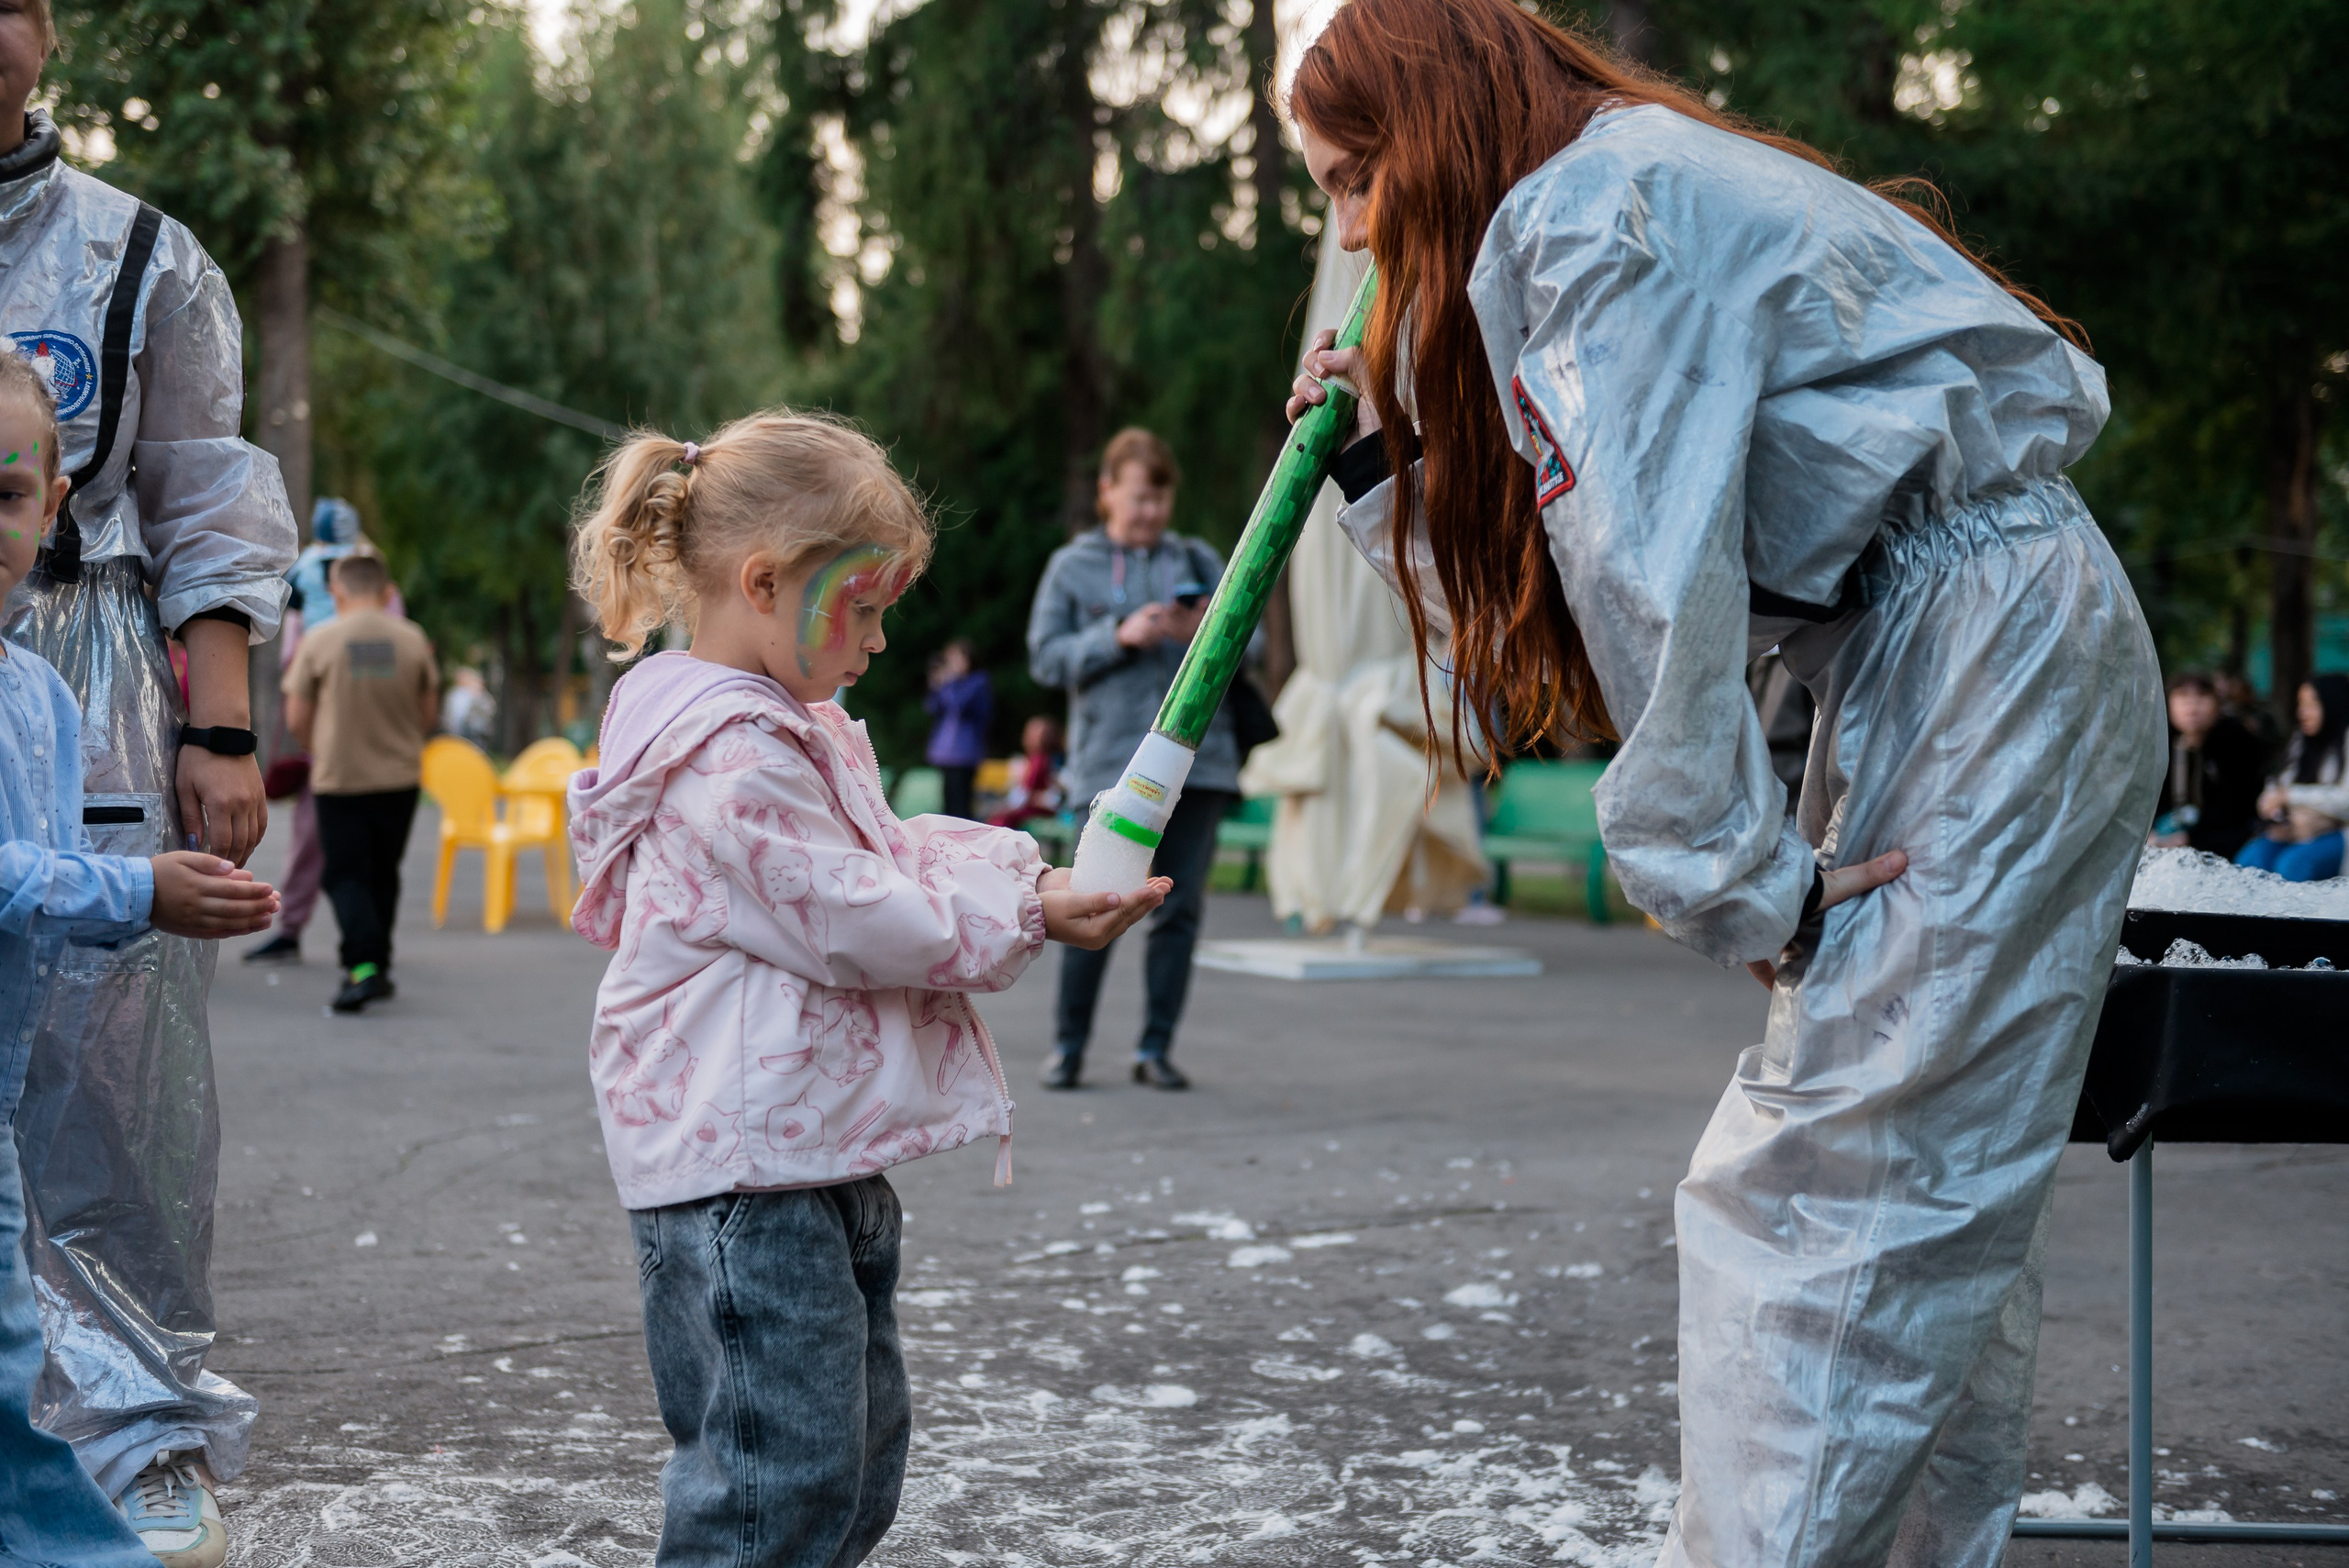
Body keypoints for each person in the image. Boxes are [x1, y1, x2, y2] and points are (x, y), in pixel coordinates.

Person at [1282, 4, 2162, 1563]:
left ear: (1434, 121)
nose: (1352, 226)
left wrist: (1733, 872)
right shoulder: (1596, 205)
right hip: (1954, 645)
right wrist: (1380, 466)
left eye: (1360, 176)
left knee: (1830, 1195)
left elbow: (1652, 578)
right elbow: (1580, 568)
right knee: (1920, 1180)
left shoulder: (1594, 219)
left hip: (1984, 655)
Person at [564, 412, 1166, 1564]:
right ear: (764, 580)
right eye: (866, 606)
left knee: (847, 1458)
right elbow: (854, 911)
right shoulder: (727, 757)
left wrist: (1029, 877)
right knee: (771, 1486)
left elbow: (885, 851)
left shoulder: (789, 729)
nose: (881, 640)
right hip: (745, 1172)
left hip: (806, 1153)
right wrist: (1029, 907)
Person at [0, 1, 297, 1546]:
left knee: (108, 1073)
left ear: (46, 32)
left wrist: (223, 723)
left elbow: (205, 491)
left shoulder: (139, 256)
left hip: (82, 673)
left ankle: (133, 1418)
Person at [1028, 428, 1241, 1092]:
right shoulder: (1072, 566)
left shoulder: (1199, 558)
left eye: (1161, 497)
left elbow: (1253, 649)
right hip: (1109, 770)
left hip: (1199, 768)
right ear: (1107, 492)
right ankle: (1068, 1047)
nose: (1150, 511)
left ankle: (1155, 1050)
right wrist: (1115, 637)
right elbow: (1044, 656)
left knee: (1178, 909)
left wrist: (1205, 631)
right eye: (1139, 496)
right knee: (1092, 899)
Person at [281, 553, 438, 1012]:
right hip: (401, 779)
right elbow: (427, 714)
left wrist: (323, 748)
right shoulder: (413, 640)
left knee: (344, 875)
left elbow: (296, 718)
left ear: (337, 593)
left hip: (340, 779)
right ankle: (380, 967)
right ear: (388, 592)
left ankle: (363, 968)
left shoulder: (320, 640)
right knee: (382, 873)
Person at [243, 498, 384, 965]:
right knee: (369, 839)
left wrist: (302, 728)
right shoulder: (376, 574)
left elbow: (291, 654)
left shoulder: (304, 570)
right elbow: (390, 652)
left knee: (314, 832)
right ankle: (370, 942)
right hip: (372, 724)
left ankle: (294, 927)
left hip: (325, 717)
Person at [2234, 674, 2349, 882]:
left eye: (2312, 703)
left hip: (2339, 832)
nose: (2302, 712)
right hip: (2294, 829)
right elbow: (2276, 786)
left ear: (2334, 702)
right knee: (2250, 860)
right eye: (2301, 704)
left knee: (2293, 865)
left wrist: (2290, 796)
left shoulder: (2345, 738)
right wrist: (2275, 810)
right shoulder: (2301, 739)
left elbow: (2345, 800)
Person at [2150, 670, 2266, 858]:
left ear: (2217, 704)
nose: (2192, 706)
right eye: (2182, 697)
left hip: (2227, 837)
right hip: (2173, 832)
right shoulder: (2162, 741)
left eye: (2202, 697)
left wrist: (2190, 839)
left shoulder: (2237, 740)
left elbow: (2238, 808)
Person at [922, 638, 993, 818]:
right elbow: (932, 707)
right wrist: (936, 685)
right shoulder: (952, 684)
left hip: (965, 753)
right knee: (948, 803)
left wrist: (948, 683)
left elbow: (959, 705)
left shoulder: (978, 682)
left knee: (962, 805)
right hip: (946, 752)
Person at [990, 714, 1066, 829]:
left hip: (1038, 809)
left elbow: (1027, 791)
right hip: (1033, 806)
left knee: (1001, 820)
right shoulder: (1033, 760)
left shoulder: (1039, 761)